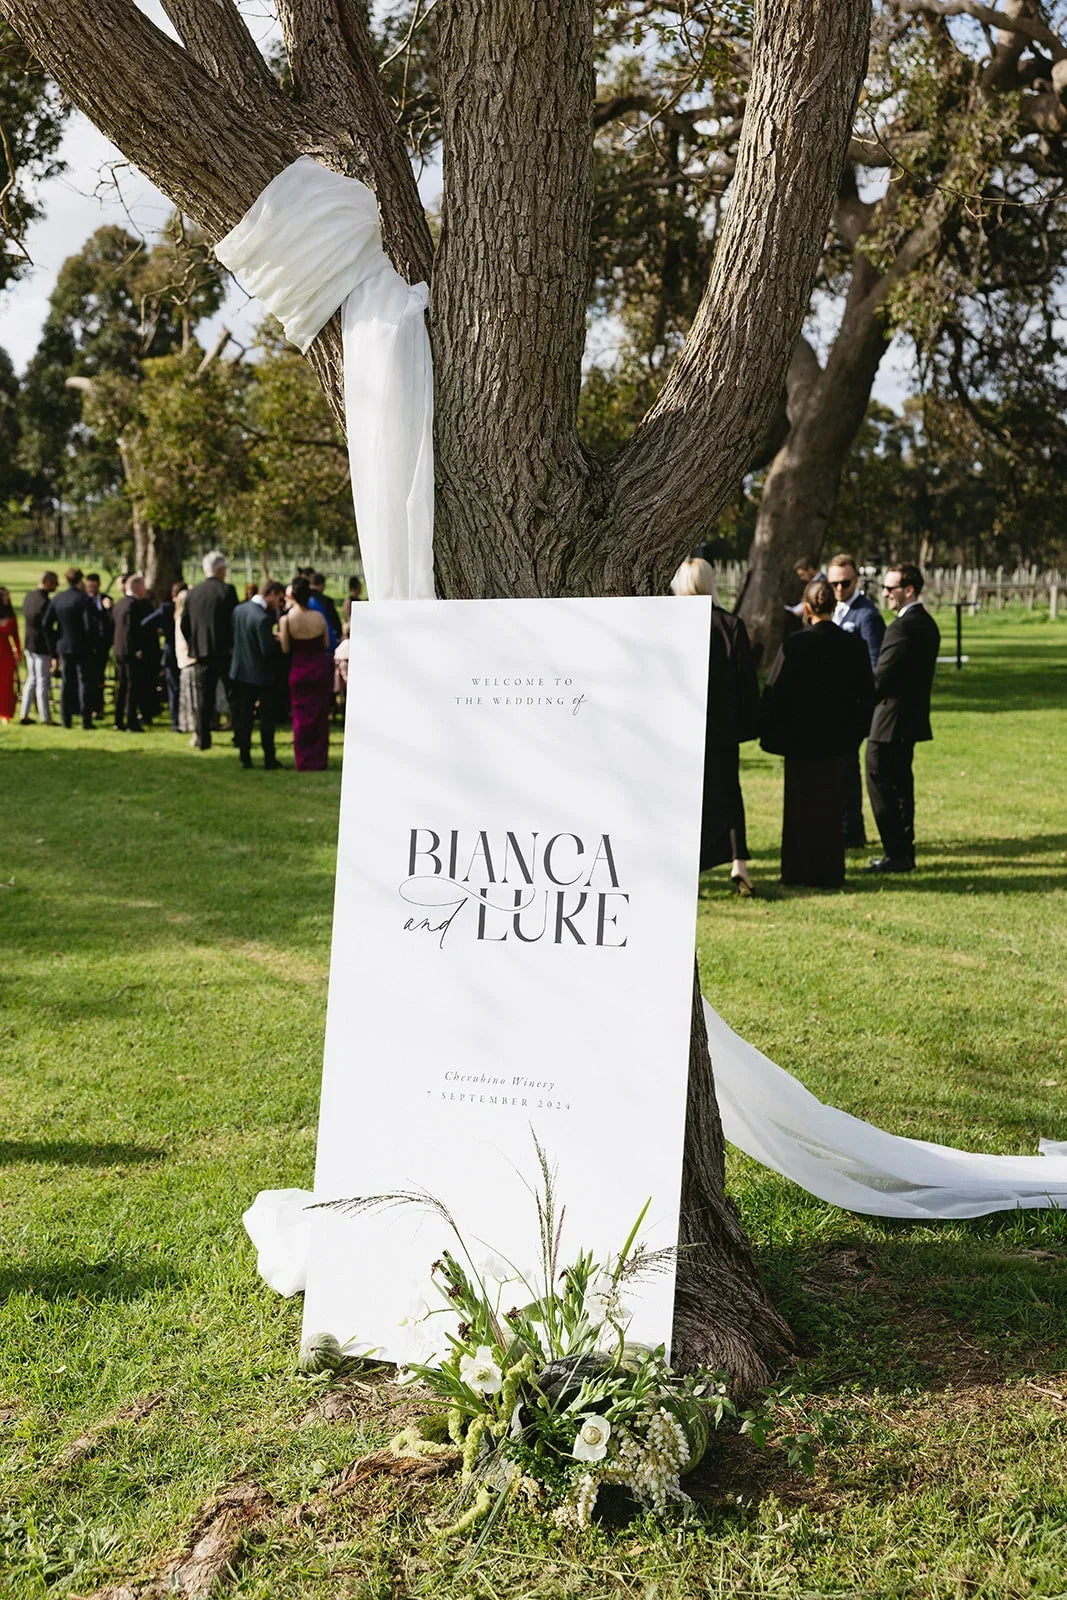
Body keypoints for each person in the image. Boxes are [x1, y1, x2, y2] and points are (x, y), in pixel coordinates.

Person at [760, 577, 875, 889]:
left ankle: (796, 871)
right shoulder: (854, 645)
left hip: (800, 740)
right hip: (838, 739)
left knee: (799, 808)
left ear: (807, 608)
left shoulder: (794, 645)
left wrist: (770, 733)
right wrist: (856, 732)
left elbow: (775, 693)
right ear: (834, 606)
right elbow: (867, 694)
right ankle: (829, 872)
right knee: (831, 808)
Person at [670, 557, 760, 895]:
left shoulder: (670, 625)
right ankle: (739, 864)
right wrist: (747, 724)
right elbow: (745, 682)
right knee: (729, 793)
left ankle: (687, 868)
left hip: (680, 727)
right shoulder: (730, 625)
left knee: (682, 796)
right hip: (721, 727)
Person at [866, 562, 941, 874]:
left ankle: (896, 853)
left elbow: (881, 679)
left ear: (908, 590)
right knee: (900, 786)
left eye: (889, 588)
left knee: (880, 782)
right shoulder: (928, 624)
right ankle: (903, 851)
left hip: (889, 719)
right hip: (910, 718)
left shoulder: (901, 627)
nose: (884, 594)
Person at [827, 552, 885, 849]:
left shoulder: (867, 615)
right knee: (839, 769)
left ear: (856, 581)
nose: (839, 589)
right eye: (834, 583)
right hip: (834, 706)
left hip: (853, 708)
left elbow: (877, 665)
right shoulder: (835, 610)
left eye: (845, 583)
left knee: (848, 771)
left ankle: (852, 832)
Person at [181, 550, 237, 752]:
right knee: (232, 694)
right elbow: (233, 621)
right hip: (224, 651)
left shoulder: (193, 593)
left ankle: (203, 737)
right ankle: (239, 735)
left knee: (204, 697)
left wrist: (193, 642)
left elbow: (184, 624)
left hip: (201, 652)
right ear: (220, 569)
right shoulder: (227, 591)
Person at [230, 579, 286, 770]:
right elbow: (266, 650)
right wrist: (278, 641)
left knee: (244, 716)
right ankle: (269, 757)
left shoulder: (239, 610)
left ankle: (244, 756)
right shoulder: (262, 618)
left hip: (241, 671)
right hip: (261, 674)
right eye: (278, 598)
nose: (279, 603)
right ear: (271, 593)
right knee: (266, 719)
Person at [280, 575, 332, 771]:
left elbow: (285, 648)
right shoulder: (319, 617)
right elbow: (326, 643)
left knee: (300, 717)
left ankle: (303, 759)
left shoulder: (286, 620)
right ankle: (320, 760)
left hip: (299, 668)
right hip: (318, 667)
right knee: (320, 716)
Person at [50, 567, 96, 730]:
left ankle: (66, 719)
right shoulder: (84, 600)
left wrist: (56, 640)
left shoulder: (58, 599)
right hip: (82, 646)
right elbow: (89, 625)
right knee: (84, 682)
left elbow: (46, 624)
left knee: (67, 683)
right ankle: (85, 720)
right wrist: (92, 644)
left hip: (64, 645)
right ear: (80, 581)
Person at [111, 573, 153, 732]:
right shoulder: (134, 605)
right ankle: (131, 721)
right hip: (130, 651)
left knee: (122, 687)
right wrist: (136, 649)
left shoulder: (120, 603)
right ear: (137, 587)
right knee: (132, 687)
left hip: (119, 650)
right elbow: (130, 629)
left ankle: (118, 720)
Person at [19, 570, 58, 725]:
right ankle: (45, 717)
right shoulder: (45, 602)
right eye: (54, 583)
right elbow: (47, 628)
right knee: (42, 681)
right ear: (48, 583)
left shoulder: (29, 596)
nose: (56, 586)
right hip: (41, 646)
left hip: (29, 643)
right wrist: (53, 652)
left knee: (31, 679)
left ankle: (24, 713)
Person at [83, 573, 114, 721]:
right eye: (89, 586)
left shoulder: (105, 600)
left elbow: (111, 621)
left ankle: (98, 708)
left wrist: (109, 609)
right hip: (87, 646)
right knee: (87, 679)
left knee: (99, 679)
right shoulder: (82, 600)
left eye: (94, 586)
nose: (91, 589)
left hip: (102, 646)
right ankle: (86, 707)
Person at [0, 587, 21, 723]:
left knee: (7, 686)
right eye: (3, 597)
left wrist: (18, 653)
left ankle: (5, 714)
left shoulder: (11, 615)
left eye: (8, 597)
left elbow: (16, 636)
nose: (6, 599)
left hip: (6, 655)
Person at [308, 572, 341, 648]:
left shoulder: (302, 600)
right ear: (322, 585)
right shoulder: (327, 601)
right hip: (323, 639)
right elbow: (335, 622)